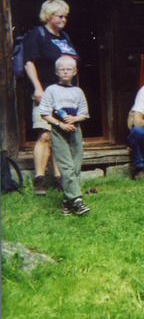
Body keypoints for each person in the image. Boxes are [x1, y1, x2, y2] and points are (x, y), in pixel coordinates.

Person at [22, 0, 76, 195]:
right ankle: (39, 179)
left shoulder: (64, 36)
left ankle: (59, 178)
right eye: (60, 16)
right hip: (46, 92)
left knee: (61, 136)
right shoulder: (37, 34)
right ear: (48, 16)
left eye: (65, 16)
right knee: (45, 134)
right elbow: (28, 62)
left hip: (66, 94)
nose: (64, 19)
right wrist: (37, 88)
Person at [38, 56, 90, 216]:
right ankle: (78, 201)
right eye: (62, 69)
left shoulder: (78, 91)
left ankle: (67, 203)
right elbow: (44, 113)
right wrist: (59, 124)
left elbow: (84, 113)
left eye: (69, 69)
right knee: (66, 165)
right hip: (59, 131)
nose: (65, 71)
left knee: (75, 165)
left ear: (75, 72)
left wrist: (75, 119)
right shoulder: (51, 90)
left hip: (75, 129)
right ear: (56, 71)